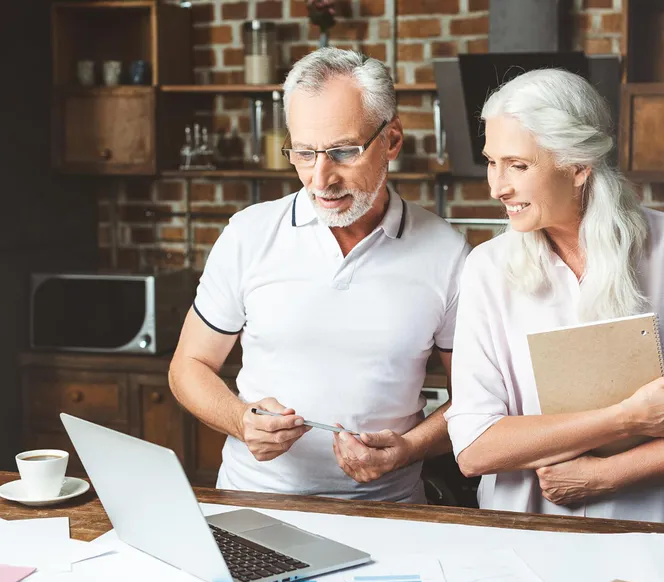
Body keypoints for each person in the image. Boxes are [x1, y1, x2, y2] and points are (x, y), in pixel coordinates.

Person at [444, 68, 664, 526]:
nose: (497, 186)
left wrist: (605, 476)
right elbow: (475, 447)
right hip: (533, 534)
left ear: (579, 167)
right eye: (491, 161)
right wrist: (628, 418)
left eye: (518, 165)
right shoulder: (487, 266)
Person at [169, 48, 469, 503]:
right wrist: (240, 420)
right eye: (304, 153)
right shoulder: (248, 234)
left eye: (343, 152)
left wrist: (407, 450)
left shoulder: (447, 254)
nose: (320, 179)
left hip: (391, 514)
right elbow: (188, 367)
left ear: (391, 140)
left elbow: (474, 400)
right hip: (255, 503)